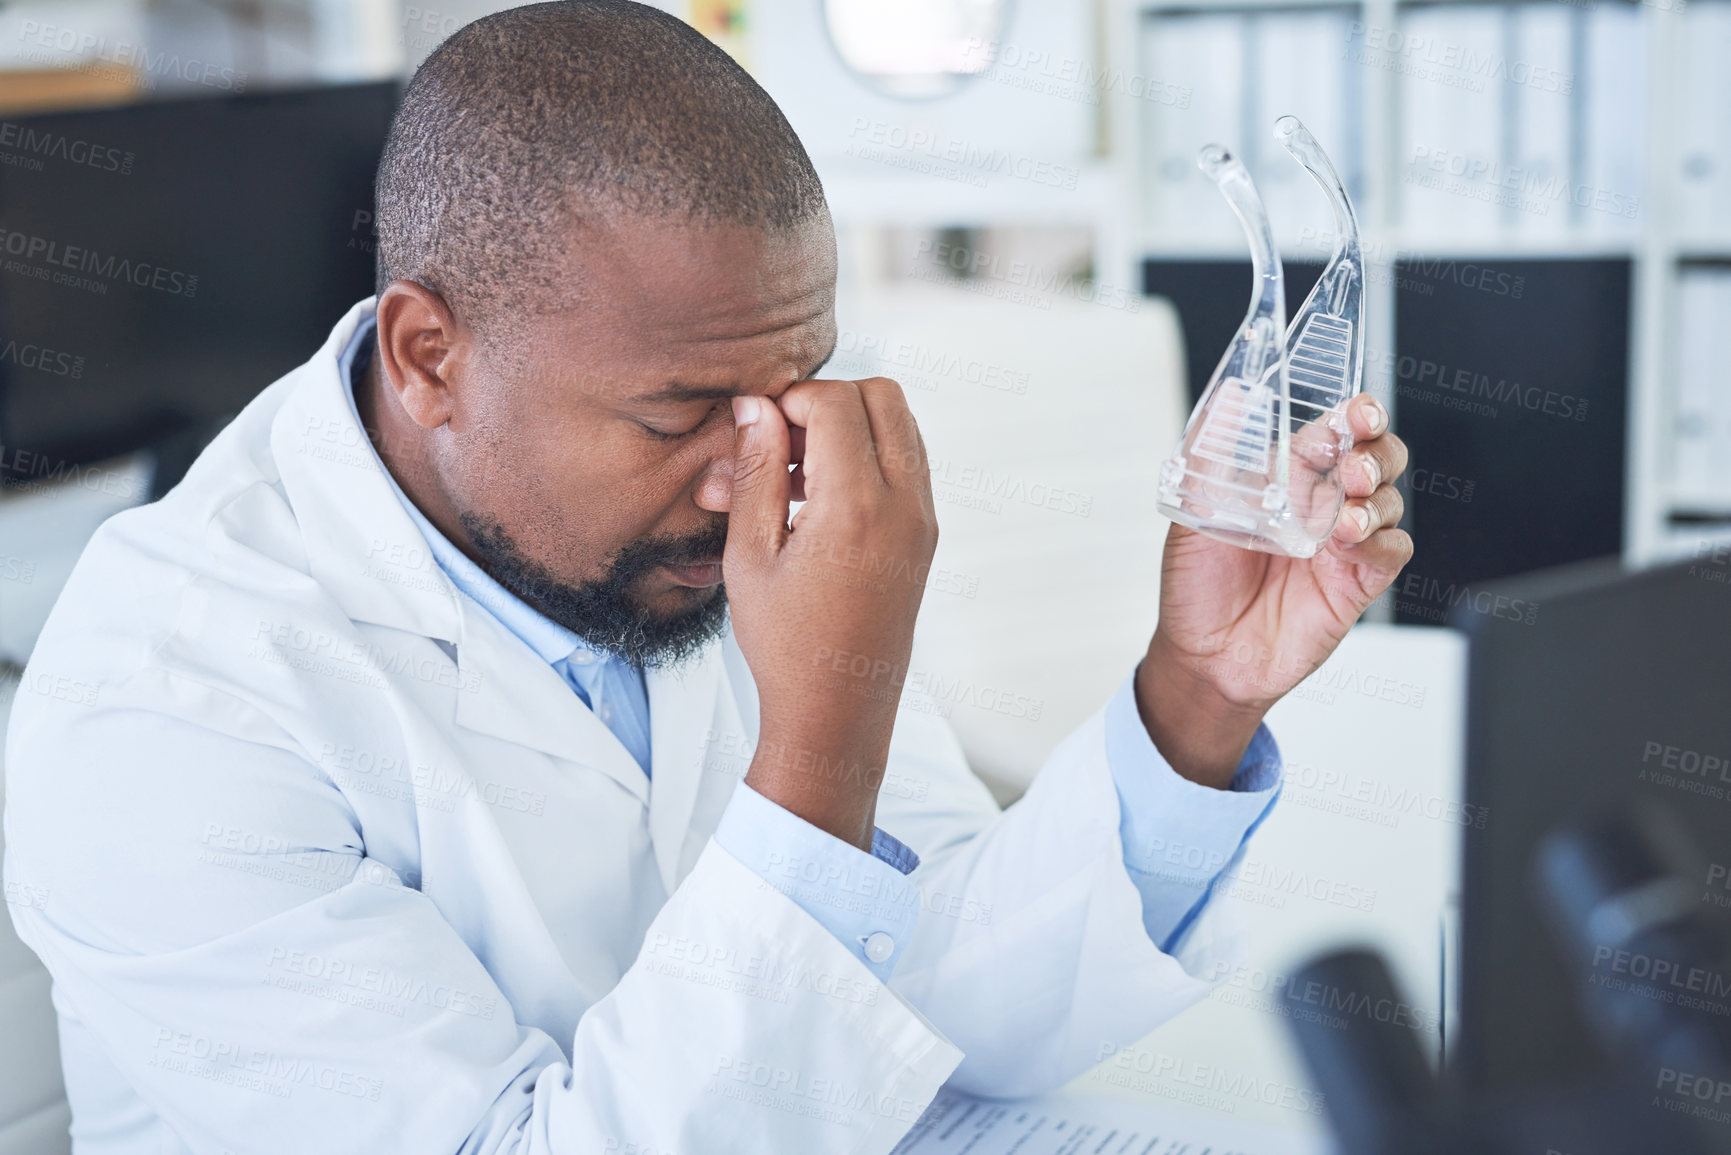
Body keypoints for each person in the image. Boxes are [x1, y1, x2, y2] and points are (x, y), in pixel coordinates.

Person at [2, 3, 1412, 1152]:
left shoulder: (664, 537)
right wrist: (821, 734)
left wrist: (1196, 695)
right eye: (680, 415)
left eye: (792, 391)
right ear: (433, 354)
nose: (756, 478)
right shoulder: (168, 712)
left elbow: (931, 1000)